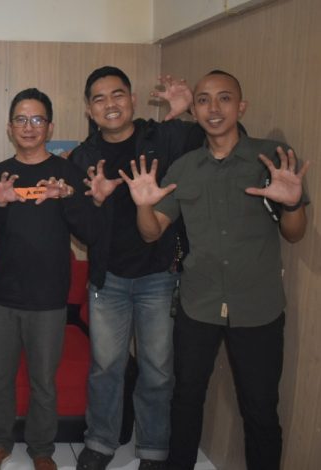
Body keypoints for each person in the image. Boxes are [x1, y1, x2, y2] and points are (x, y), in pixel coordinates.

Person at [120, 70, 309, 470]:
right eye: (203, 100)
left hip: (257, 306)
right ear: (195, 109)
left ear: (241, 107)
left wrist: (292, 204)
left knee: (260, 408)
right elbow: (152, 232)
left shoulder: (271, 158)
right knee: (186, 399)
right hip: (199, 303)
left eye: (224, 98)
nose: (213, 108)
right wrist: (143, 205)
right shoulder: (184, 168)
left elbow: (294, 234)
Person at [68, 66, 198, 470]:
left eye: (118, 94)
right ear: (89, 110)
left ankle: (154, 449)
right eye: (100, 98)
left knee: (158, 370)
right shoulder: (83, 158)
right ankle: (100, 442)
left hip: (158, 274)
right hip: (107, 278)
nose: (110, 104)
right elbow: (80, 229)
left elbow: (218, 140)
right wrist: (96, 202)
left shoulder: (163, 136)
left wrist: (188, 110)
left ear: (133, 99)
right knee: (106, 367)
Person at [0, 88, 102, 470]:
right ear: (9, 127)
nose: (28, 127)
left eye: (36, 119)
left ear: (49, 126)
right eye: (21, 119)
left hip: (48, 299)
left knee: (43, 382)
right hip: (2, 297)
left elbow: (88, 235)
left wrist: (68, 198)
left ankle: (42, 449)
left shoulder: (68, 173)